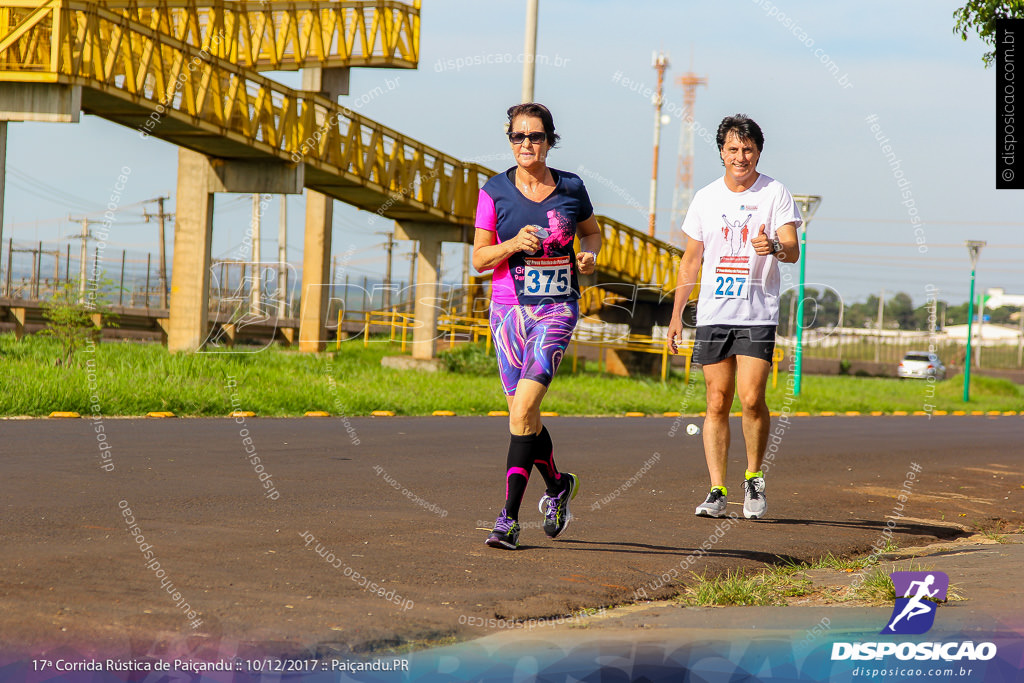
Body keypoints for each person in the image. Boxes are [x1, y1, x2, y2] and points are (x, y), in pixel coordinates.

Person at [473, 102, 602, 549]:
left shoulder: (571, 187)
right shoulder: (493, 191)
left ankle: (507, 520)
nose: (526, 144)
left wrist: (589, 254)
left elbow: (592, 231)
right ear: (510, 141)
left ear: (550, 140)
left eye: (535, 136)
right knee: (521, 417)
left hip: (556, 308)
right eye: (518, 137)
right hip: (508, 312)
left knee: (525, 408)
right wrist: (510, 243)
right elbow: (478, 259)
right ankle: (558, 485)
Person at [667, 114, 802, 520]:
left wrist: (773, 245)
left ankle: (754, 478)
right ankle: (717, 489)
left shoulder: (775, 193)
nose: (740, 156)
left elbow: (793, 249)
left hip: (757, 311)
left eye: (748, 149)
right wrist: (677, 315)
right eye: (732, 149)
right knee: (716, 400)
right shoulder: (706, 198)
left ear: (758, 152)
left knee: (750, 397)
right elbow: (691, 259)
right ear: (721, 153)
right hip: (713, 313)